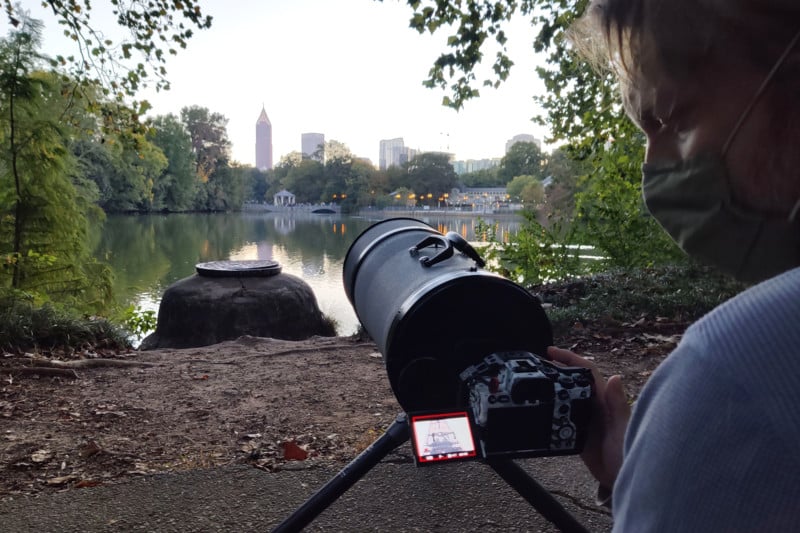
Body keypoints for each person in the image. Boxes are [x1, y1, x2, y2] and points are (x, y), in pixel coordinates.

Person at [546, 1, 800, 531]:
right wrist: (648, 471)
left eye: (677, 118)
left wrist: (689, 446)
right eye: (644, 132)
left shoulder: (733, 376)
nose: (652, 166)